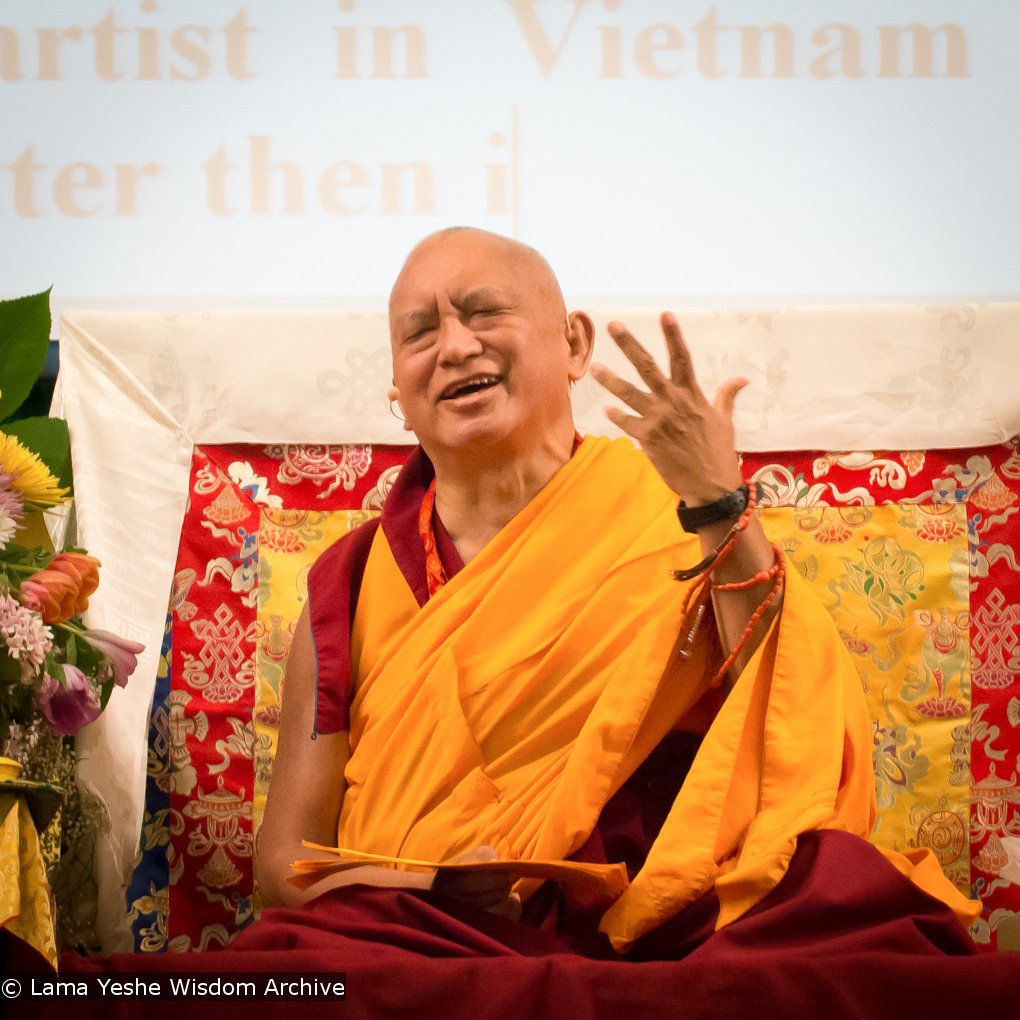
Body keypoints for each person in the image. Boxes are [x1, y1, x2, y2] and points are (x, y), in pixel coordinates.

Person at [41, 228, 1018, 1019]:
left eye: (484, 312)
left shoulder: (670, 512)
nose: (454, 345)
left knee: (866, 954)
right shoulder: (353, 578)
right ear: (396, 388)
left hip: (654, 930)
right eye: (419, 332)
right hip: (412, 936)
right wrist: (426, 881)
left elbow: (791, 717)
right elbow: (288, 871)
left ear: (575, 343)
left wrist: (721, 504)